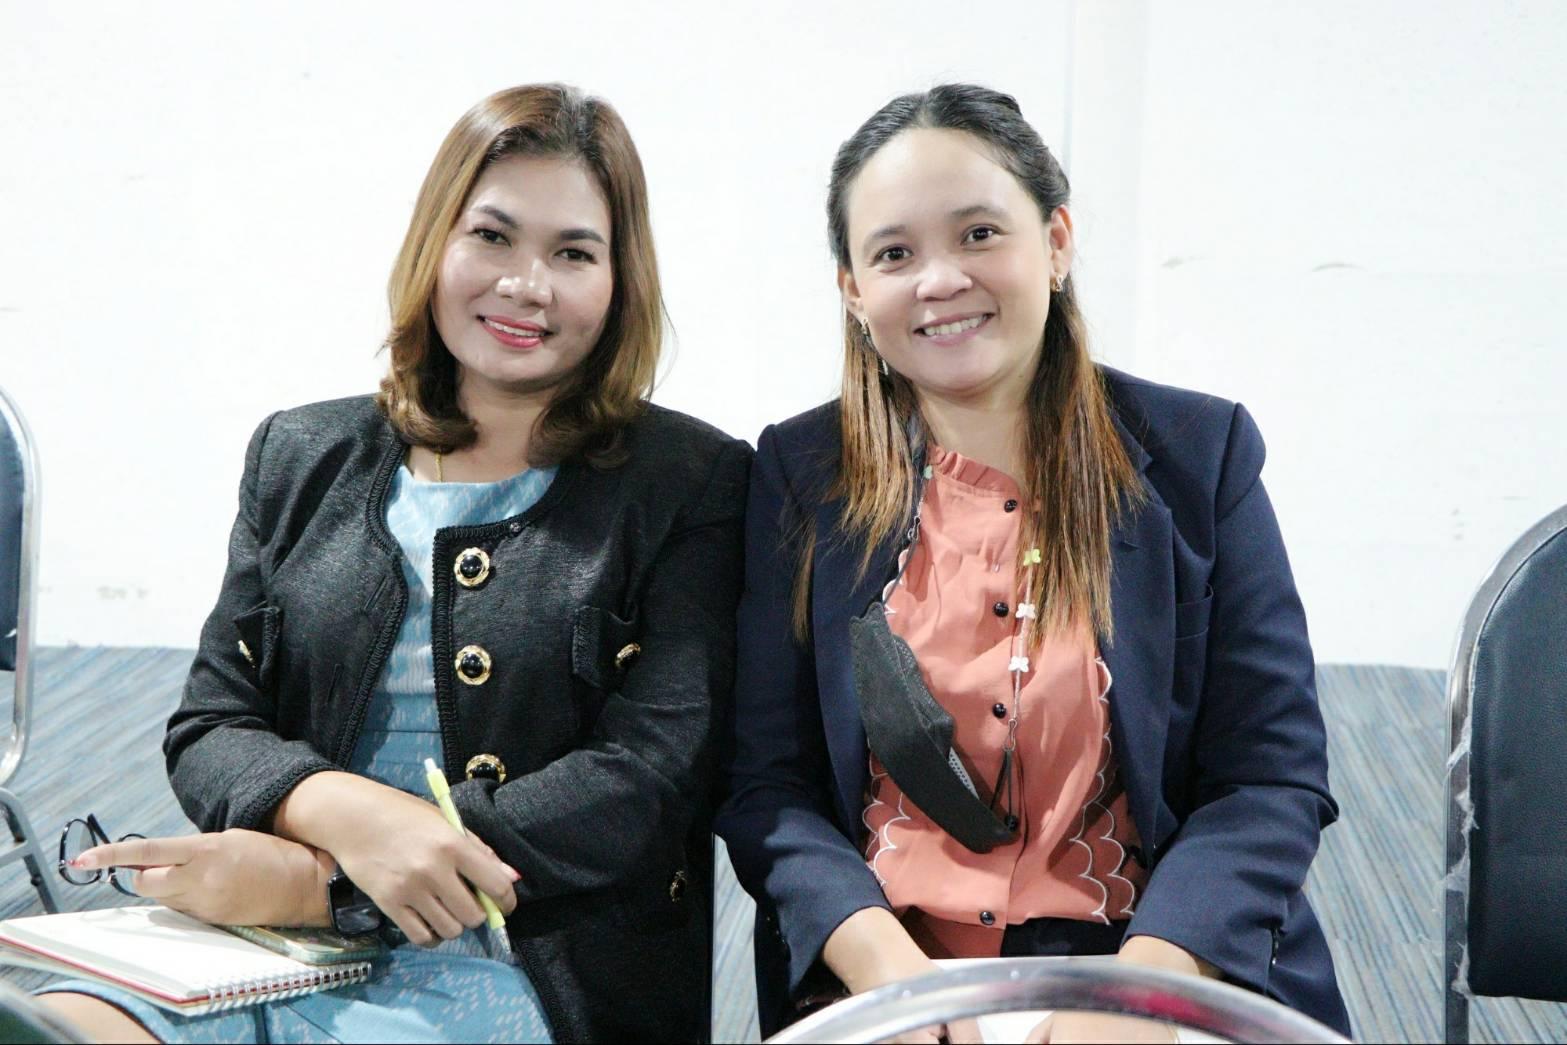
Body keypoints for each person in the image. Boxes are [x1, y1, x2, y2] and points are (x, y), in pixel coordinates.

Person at [39, 83, 750, 1044]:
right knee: (53, 1026)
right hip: (265, 930)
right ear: (434, 243)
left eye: (573, 253)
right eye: (492, 236)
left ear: (620, 280)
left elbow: (648, 779)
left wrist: (329, 885)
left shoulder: (691, 480)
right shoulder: (301, 452)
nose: (526, 284)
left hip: (521, 951)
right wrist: (337, 811)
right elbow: (212, 721)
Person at [714, 83, 1351, 1044]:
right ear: (852, 290)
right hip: (895, 972)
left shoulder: (1198, 455)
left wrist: (1146, 988)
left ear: (1054, 242)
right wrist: (887, 978)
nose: (939, 280)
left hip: (1150, 958)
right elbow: (769, 786)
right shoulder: (801, 473)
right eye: (894, 254)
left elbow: (1269, 778)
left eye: (978, 234)